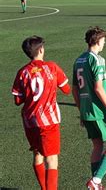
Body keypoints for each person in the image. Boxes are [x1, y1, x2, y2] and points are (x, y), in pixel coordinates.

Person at [11, 36, 70, 190]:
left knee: (37, 154)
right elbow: (66, 89)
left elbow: (17, 100)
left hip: (30, 121)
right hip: (48, 120)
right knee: (51, 159)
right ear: (41, 50)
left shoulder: (22, 72)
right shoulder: (51, 67)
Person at [72, 27, 106, 189]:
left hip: (86, 111)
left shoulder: (79, 60)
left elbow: (75, 89)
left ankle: (96, 184)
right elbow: (99, 88)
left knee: (97, 145)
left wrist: (81, 112)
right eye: (104, 41)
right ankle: (96, 180)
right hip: (99, 111)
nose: (104, 44)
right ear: (98, 41)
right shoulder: (98, 60)